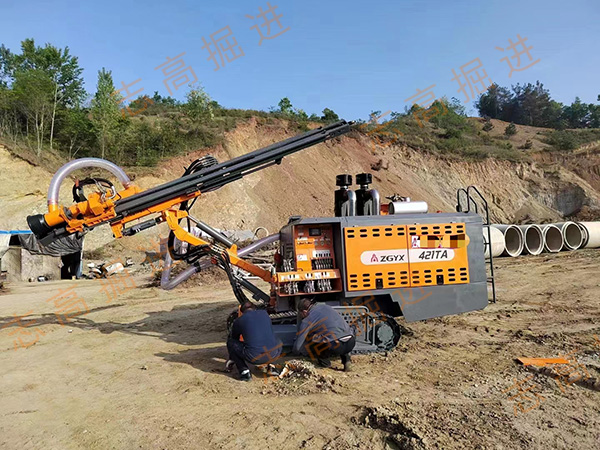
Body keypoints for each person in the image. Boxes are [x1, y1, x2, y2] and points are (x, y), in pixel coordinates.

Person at [293, 298, 355, 372]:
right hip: (351, 342)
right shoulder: (326, 307)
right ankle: (347, 361)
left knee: (313, 339)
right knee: (340, 335)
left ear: (304, 312)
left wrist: (295, 352)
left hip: (335, 346)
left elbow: (298, 345)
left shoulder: (307, 319)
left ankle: (325, 363)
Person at [226, 302, 282, 381]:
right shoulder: (264, 314)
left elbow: (234, 339)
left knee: (230, 343)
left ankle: (244, 372)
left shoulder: (239, 321)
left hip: (254, 357)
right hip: (273, 354)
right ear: (255, 308)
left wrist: (232, 358)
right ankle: (272, 367)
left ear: (241, 312)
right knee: (277, 340)